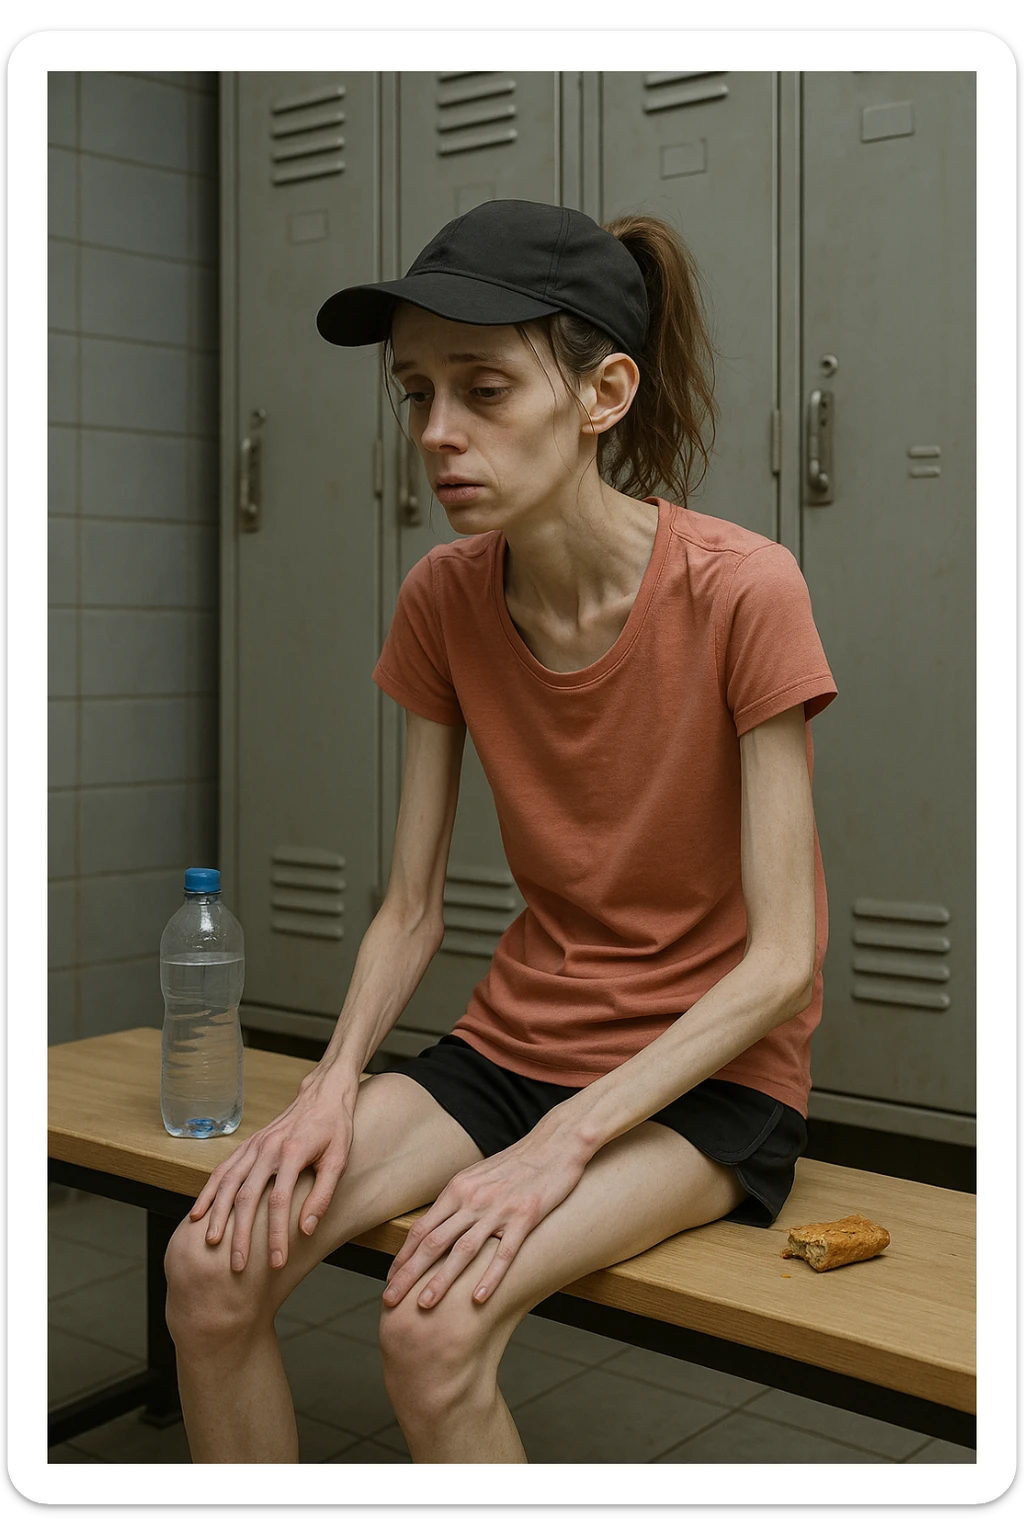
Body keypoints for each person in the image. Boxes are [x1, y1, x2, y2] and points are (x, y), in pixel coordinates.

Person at [164, 199, 838, 1465]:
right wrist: (332, 1084)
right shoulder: (443, 596)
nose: (437, 432)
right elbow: (411, 905)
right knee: (208, 1268)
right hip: (517, 1044)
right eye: (415, 393)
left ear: (602, 395)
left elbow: (782, 962)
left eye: (482, 390)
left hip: (706, 1081)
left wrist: (558, 1146)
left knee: (429, 1325)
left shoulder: (743, 589)